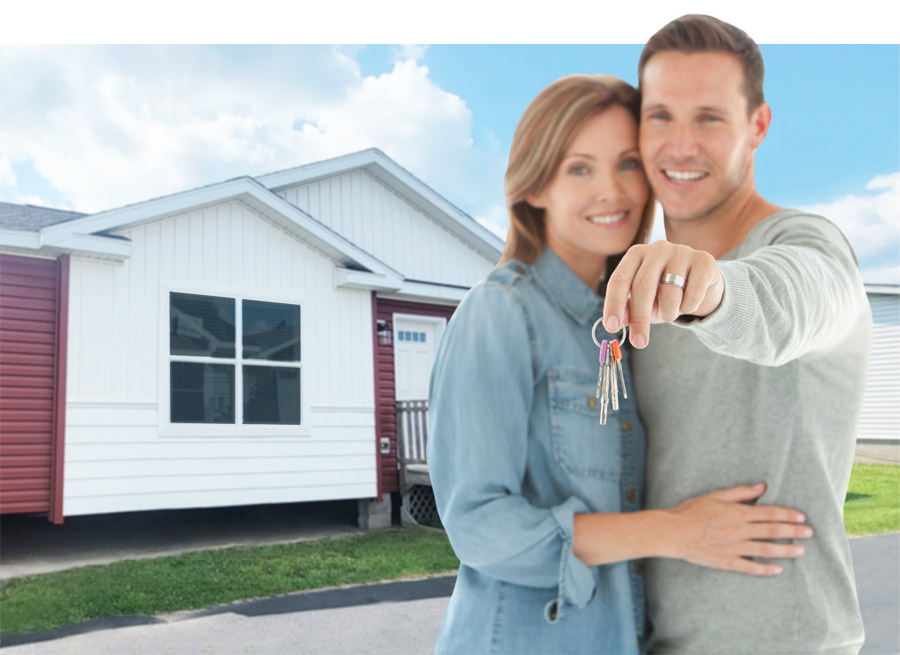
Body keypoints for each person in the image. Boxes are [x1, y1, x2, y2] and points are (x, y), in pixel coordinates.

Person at [427, 73, 812, 655]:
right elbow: (478, 527)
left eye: (628, 164)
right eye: (580, 168)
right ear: (535, 187)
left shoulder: (622, 324)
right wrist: (680, 531)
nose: (612, 191)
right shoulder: (499, 312)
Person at [601, 15, 872, 654]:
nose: (680, 145)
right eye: (661, 116)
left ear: (758, 126)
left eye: (710, 118)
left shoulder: (808, 245)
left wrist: (715, 292)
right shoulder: (635, 286)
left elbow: (789, 303)